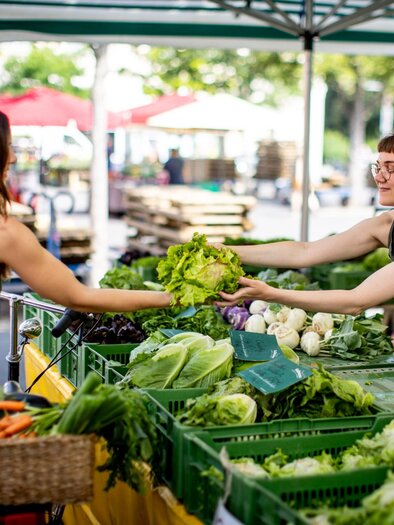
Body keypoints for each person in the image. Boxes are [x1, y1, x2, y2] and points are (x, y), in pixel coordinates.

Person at [0, 111, 172, 313]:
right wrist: (171, 298)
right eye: (7, 146)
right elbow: (78, 296)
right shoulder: (6, 233)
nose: (13, 158)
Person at [216, 134, 394, 316]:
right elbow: (305, 252)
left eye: (391, 168)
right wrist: (224, 251)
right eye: (378, 168)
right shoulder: (385, 224)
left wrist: (271, 294)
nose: (379, 177)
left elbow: (355, 301)